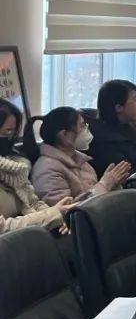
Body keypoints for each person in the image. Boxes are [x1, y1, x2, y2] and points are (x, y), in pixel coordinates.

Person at [0, 99, 75, 234]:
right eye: (6, 132)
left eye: (12, 133)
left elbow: (33, 202)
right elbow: (3, 228)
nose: (9, 138)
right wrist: (52, 215)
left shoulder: (15, 166)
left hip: (30, 236)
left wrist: (58, 218)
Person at [28, 107, 130, 205]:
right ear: (64, 135)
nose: (86, 129)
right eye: (82, 126)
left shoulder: (81, 161)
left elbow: (92, 193)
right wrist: (104, 184)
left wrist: (113, 185)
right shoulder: (47, 170)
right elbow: (65, 211)